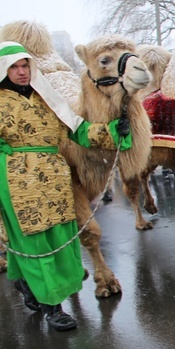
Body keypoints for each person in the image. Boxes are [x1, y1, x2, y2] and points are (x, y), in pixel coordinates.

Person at [0, 42, 132, 331]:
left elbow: (79, 131)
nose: (21, 72)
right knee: (35, 242)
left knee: (59, 239)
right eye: (14, 67)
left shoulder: (47, 98)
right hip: (16, 182)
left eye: (25, 66)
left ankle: (30, 284)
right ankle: (53, 307)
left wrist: (112, 131)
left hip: (55, 180)